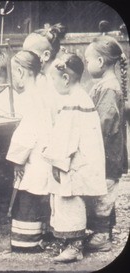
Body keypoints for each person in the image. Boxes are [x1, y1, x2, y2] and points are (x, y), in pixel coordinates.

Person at [42, 53, 107, 262]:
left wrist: (56, 160)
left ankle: (74, 247)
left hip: (72, 162)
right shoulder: (82, 98)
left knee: (69, 202)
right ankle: (71, 243)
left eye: (54, 79)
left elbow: (66, 137)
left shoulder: (73, 102)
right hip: (83, 159)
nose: (53, 84)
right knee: (72, 201)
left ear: (66, 78)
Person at [84, 35, 128, 252]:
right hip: (103, 150)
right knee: (100, 190)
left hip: (107, 152)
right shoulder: (105, 84)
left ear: (100, 62)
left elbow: (105, 121)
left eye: (88, 60)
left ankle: (103, 237)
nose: (86, 64)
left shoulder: (109, 88)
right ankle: (102, 232)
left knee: (104, 192)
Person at [6, 50, 52, 252]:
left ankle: (27, 241)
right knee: (41, 191)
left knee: (29, 191)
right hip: (44, 152)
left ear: (21, 72)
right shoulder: (45, 93)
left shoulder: (29, 97)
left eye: (13, 74)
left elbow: (25, 133)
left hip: (33, 155)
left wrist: (17, 160)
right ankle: (43, 233)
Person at [22, 23, 66, 122]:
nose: (25, 58)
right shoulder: (40, 77)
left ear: (45, 55)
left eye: (29, 54)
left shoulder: (56, 80)